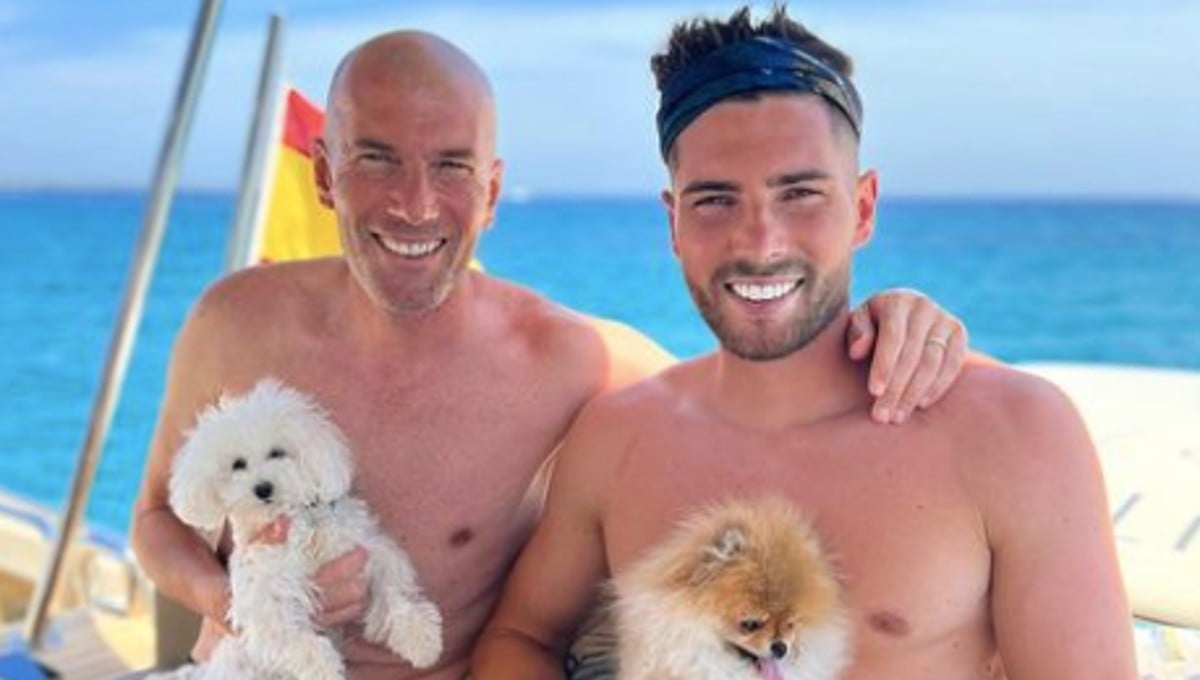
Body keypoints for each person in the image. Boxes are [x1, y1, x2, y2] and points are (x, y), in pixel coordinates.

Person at [130, 29, 970, 680]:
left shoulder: (570, 359)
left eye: (451, 167)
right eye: (377, 159)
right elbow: (157, 522)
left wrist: (895, 320)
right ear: (324, 174)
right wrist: (230, 599)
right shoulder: (234, 321)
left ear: (492, 191)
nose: (415, 204)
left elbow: (759, 381)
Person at [472, 6, 1136, 680]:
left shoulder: (1013, 435)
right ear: (674, 224)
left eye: (799, 194)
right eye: (715, 200)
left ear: (863, 208)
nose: (760, 243)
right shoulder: (617, 439)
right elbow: (521, 637)